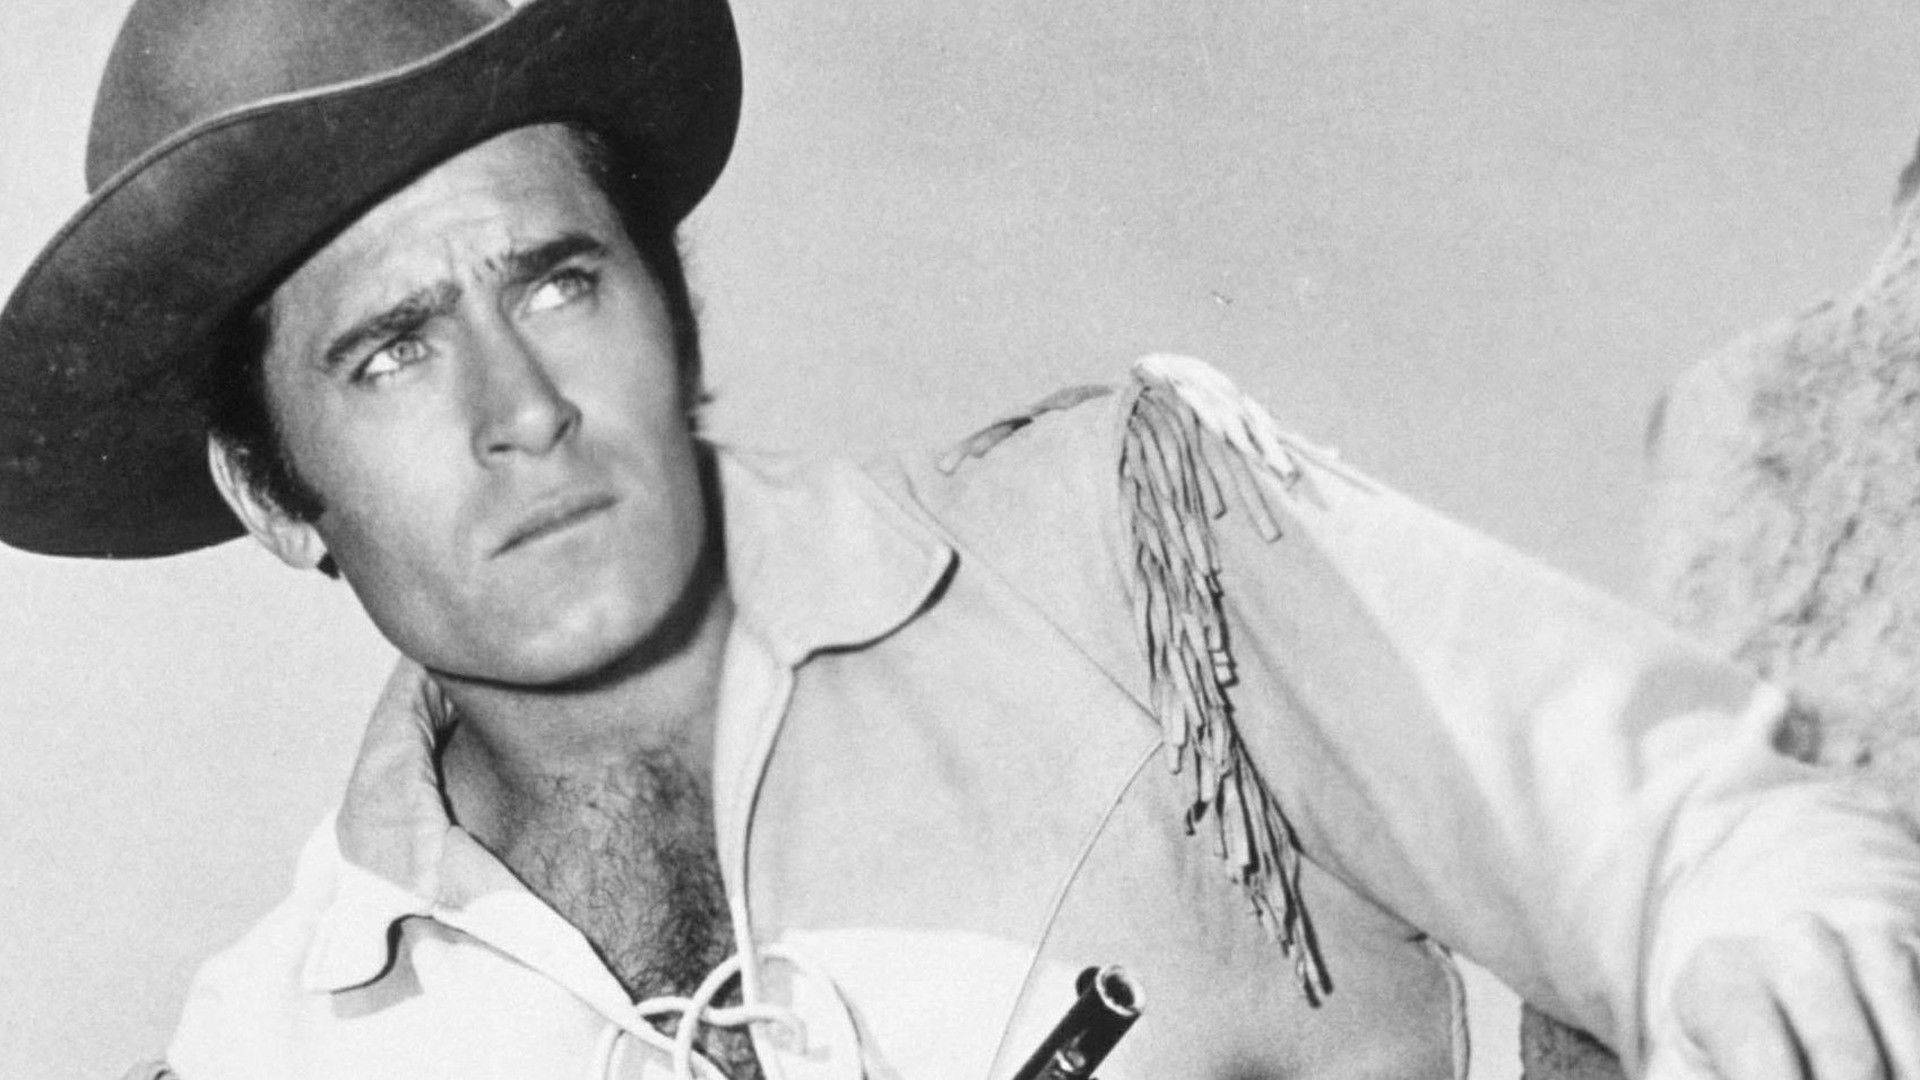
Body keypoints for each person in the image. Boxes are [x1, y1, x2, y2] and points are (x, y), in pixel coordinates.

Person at [5, 0, 1920, 1077]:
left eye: (561, 280)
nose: (523, 404)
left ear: (675, 309)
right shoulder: (276, 1040)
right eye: (394, 349)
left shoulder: (1131, 555)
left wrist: (1761, 968)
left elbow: (1706, 837)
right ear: (273, 492)